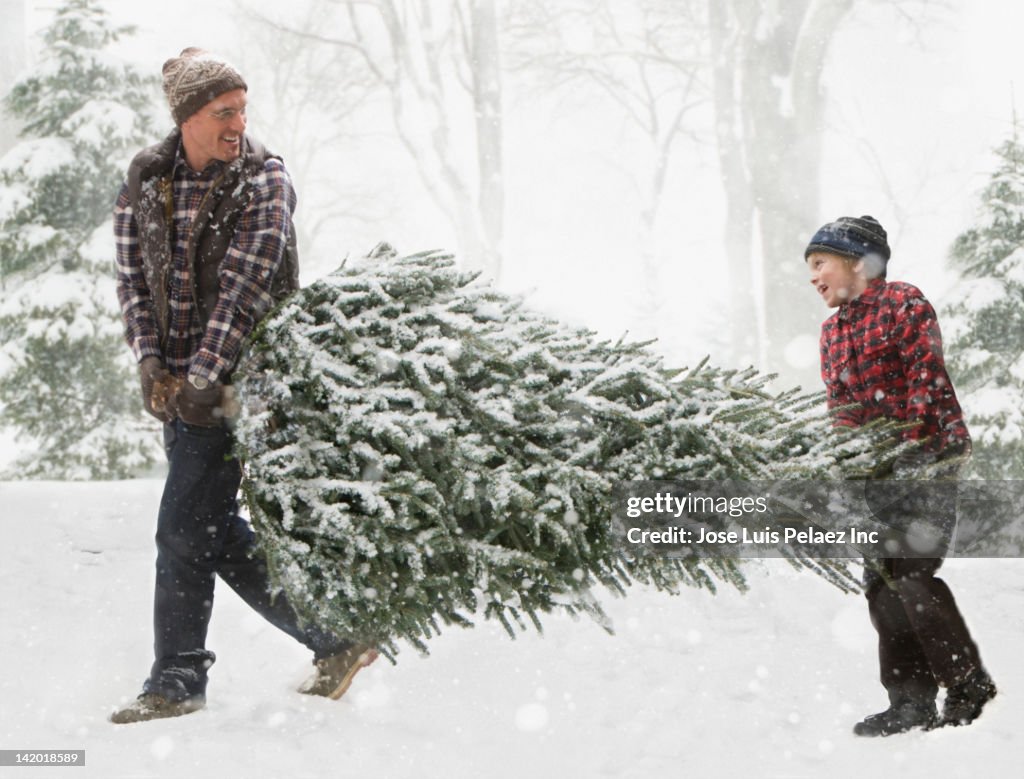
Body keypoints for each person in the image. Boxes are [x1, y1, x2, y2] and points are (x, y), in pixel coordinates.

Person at [111, 48, 376, 724]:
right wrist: (150, 364)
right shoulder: (146, 177)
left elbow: (243, 294)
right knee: (211, 526)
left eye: (242, 110)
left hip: (242, 384)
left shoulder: (264, 181)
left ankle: (176, 679)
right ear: (188, 119)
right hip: (178, 389)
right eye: (222, 112)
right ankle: (337, 635)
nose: (237, 124)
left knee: (180, 529)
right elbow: (134, 281)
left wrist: (203, 381)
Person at [805, 215, 997, 737]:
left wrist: (913, 449)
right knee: (881, 583)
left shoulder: (902, 303)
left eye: (819, 262)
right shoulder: (832, 331)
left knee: (910, 572)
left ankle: (966, 682)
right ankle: (909, 700)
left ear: (856, 261)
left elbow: (925, 375)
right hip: (875, 474)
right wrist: (848, 464)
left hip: (927, 458)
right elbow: (841, 405)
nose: (813, 276)